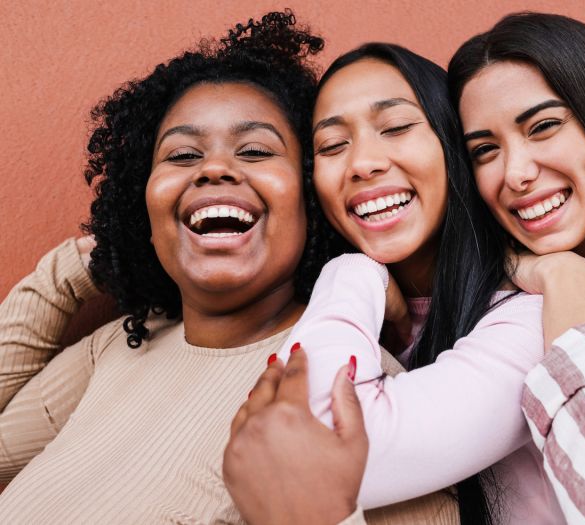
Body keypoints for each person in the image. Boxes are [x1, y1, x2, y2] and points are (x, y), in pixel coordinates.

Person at [226, 11, 585, 525]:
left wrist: (565, 281)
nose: (517, 172)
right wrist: (360, 274)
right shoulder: (464, 306)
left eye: (543, 126)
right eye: (484, 150)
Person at [0, 12, 336, 523]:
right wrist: (85, 263)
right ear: (143, 202)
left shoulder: (351, 380)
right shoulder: (120, 345)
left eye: (254, 149)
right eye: (182, 155)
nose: (214, 168)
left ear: (312, 194)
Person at [224, 44, 561, 525]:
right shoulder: (354, 319)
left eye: (397, 127)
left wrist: (351, 271)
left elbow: (312, 447)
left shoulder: (531, 318)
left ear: (452, 144)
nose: (362, 163)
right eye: (332, 146)